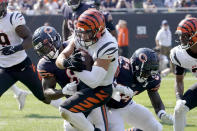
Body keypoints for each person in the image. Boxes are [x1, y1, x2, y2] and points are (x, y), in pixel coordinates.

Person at [32, 25, 109, 131]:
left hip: (93, 98)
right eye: (43, 49)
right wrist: (63, 91)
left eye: (47, 46)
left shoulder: (75, 46)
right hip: (73, 104)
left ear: (56, 39)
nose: (47, 51)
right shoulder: (45, 64)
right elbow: (47, 92)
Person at [56, 9, 118, 131]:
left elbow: (94, 81)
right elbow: (60, 58)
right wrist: (66, 62)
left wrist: (75, 68)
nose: (83, 36)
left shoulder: (108, 45)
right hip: (84, 85)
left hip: (101, 90)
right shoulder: (81, 35)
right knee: (70, 127)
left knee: (65, 109)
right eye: (81, 32)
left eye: (87, 33)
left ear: (98, 30)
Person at [0, 0, 58, 109]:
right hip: (4, 68)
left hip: (22, 66)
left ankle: (70, 110)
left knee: (44, 96)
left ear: (4, 5)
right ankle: (19, 93)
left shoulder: (12, 18)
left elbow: (30, 38)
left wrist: (15, 48)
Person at [106, 48, 173, 131]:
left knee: (155, 127)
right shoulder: (120, 67)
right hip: (108, 107)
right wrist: (119, 89)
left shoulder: (152, 79)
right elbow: (102, 85)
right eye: (147, 71)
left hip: (127, 105)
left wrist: (161, 113)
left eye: (152, 71)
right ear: (136, 66)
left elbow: (154, 94)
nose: (149, 76)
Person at [170, 17, 197, 131]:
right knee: (179, 110)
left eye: (185, 36)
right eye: (180, 35)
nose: (181, 39)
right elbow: (179, 80)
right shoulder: (179, 54)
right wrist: (179, 98)